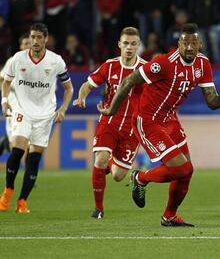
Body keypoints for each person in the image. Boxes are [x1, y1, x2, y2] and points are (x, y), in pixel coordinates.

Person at [98, 23, 220, 227]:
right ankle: (141, 178)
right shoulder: (163, 63)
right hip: (147, 120)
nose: (189, 47)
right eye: (185, 43)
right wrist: (111, 109)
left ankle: (169, 216)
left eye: (193, 43)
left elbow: (212, 101)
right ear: (179, 44)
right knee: (181, 168)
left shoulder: (203, 64)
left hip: (169, 119)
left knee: (187, 172)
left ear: (200, 44)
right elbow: (129, 80)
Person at [73, 27, 146, 219]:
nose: (129, 48)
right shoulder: (110, 66)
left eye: (133, 44)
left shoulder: (146, 69)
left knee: (117, 176)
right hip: (109, 121)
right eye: (126, 43)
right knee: (101, 158)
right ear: (119, 45)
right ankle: (99, 208)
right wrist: (81, 97)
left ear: (138, 46)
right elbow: (87, 85)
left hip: (131, 127)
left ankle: (113, 166)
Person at [0, 23, 74, 213]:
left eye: (38, 37)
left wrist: (63, 109)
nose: (34, 41)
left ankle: (22, 201)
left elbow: (69, 88)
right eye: (32, 37)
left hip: (45, 115)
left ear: (46, 39)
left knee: (33, 160)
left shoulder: (56, 61)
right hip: (22, 112)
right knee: (17, 151)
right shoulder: (18, 58)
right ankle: (8, 191)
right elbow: (6, 82)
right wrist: (5, 101)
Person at [0, 32, 31, 156]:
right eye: (25, 43)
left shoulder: (40, 63)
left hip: (31, 109)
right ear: (21, 46)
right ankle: (8, 142)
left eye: (30, 43)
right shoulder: (13, 61)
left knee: (30, 146)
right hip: (15, 107)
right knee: (16, 146)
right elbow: (2, 79)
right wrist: (5, 99)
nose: (28, 45)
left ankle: (29, 175)